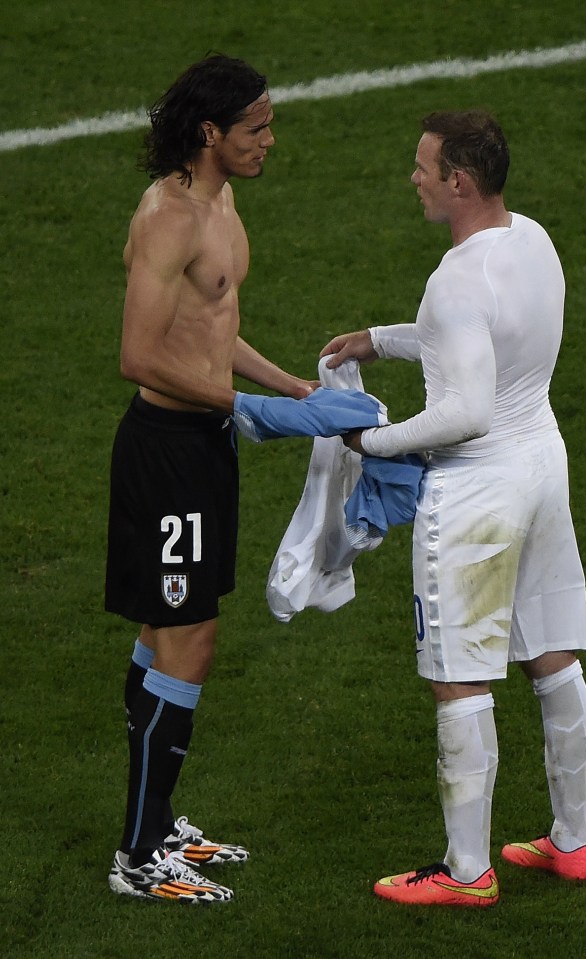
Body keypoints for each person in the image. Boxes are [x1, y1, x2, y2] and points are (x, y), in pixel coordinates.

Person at [320, 109, 586, 907]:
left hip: (478, 486)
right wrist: (382, 337)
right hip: (544, 464)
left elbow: (465, 408)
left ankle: (467, 872)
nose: (414, 177)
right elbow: (477, 339)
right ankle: (572, 844)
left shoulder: (454, 279)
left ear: (459, 183)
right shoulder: (533, 239)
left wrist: (373, 443)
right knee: (551, 653)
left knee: (458, 677)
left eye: (424, 167)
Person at [105, 54, 320, 904]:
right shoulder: (168, 218)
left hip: (206, 444)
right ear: (209, 134)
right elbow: (139, 355)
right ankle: (136, 853)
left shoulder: (222, 202)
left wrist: (291, 388)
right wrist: (252, 410)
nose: (269, 140)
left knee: (171, 634)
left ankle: (157, 826)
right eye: (255, 128)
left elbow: (210, 330)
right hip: (166, 450)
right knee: (189, 636)